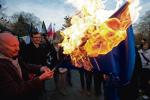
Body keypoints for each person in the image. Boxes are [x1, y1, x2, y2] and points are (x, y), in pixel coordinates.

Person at [0, 32, 54, 100]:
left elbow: (25, 65)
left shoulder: (13, 55)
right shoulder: (2, 66)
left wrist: (41, 68)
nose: (18, 49)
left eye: (18, 45)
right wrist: (39, 78)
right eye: (13, 46)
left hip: (30, 84)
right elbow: (14, 91)